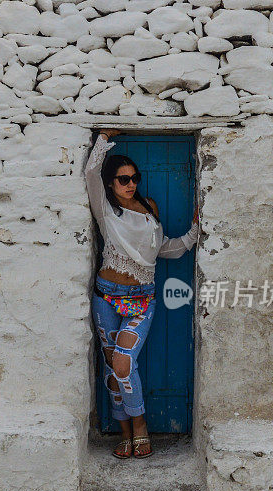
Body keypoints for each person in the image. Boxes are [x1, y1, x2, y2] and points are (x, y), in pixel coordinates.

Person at [86, 129, 200, 459]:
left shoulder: (149, 207)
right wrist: (104, 138)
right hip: (106, 296)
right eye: (123, 179)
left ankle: (140, 426)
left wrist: (193, 233)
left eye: (135, 177)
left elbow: (161, 249)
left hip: (140, 300)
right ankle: (124, 431)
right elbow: (91, 172)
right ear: (111, 184)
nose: (131, 184)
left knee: (123, 364)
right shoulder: (106, 211)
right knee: (112, 368)